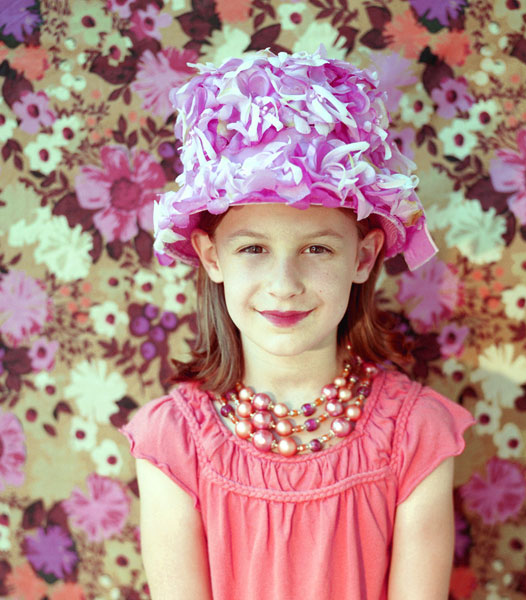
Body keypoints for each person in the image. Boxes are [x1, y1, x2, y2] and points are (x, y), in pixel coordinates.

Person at [121, 48, 475, 600]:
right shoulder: (173, 440)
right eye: (254, 248)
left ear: (363, 257)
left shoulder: (416, 432)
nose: (284, 283)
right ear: (212, 257)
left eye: (316, 248)